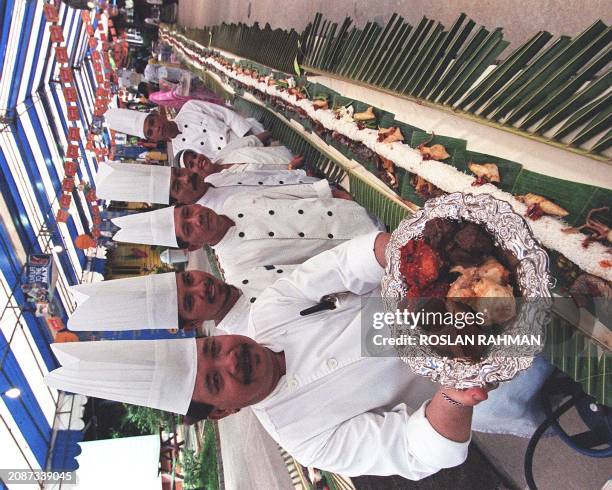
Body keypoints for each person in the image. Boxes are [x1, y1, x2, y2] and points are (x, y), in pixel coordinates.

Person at [44, 232, 490, 480]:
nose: (231, 359)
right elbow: (415, 450)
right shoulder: (301, 436)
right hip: (485, 378)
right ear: (223, 412)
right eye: (217, 381)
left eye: (213, 349)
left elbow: (342, 265)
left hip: (458, 289)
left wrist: (398, 253)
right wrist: (455, 396)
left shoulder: (270, 311)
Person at [110, 193, 383, 284]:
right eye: (188, 228)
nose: (197, 218)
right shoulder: (236, 270)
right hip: (369, 253)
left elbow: (294, 193)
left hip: (359, 205)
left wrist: (334, 193)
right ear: (193, 246)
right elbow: (306, 274)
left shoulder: (233, 201)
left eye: (187, 212)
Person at [66, 269, 292, 334]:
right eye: (189, 302)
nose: (201, 287)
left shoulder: (243, 270)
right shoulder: (252, 334)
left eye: (188, 278)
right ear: (194, 323)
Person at [94, 161, 320, 210]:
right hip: (323, 200)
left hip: (313, 178)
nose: (185, 178)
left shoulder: (212, 178)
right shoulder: (215, 213)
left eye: (177, 173)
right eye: (176, 186)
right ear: (178, 202)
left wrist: (296, 170)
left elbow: (261, 174)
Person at [105, 104, 269, 159]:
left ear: (157, 115)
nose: (156, 128)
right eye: (150, 131)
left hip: (252, 131)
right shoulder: (180, 154)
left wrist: (251, 138)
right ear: (153, 139)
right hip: (246, 158)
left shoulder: (190, 108)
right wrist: (248, 151)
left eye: (152, 122)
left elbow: (225, 114)